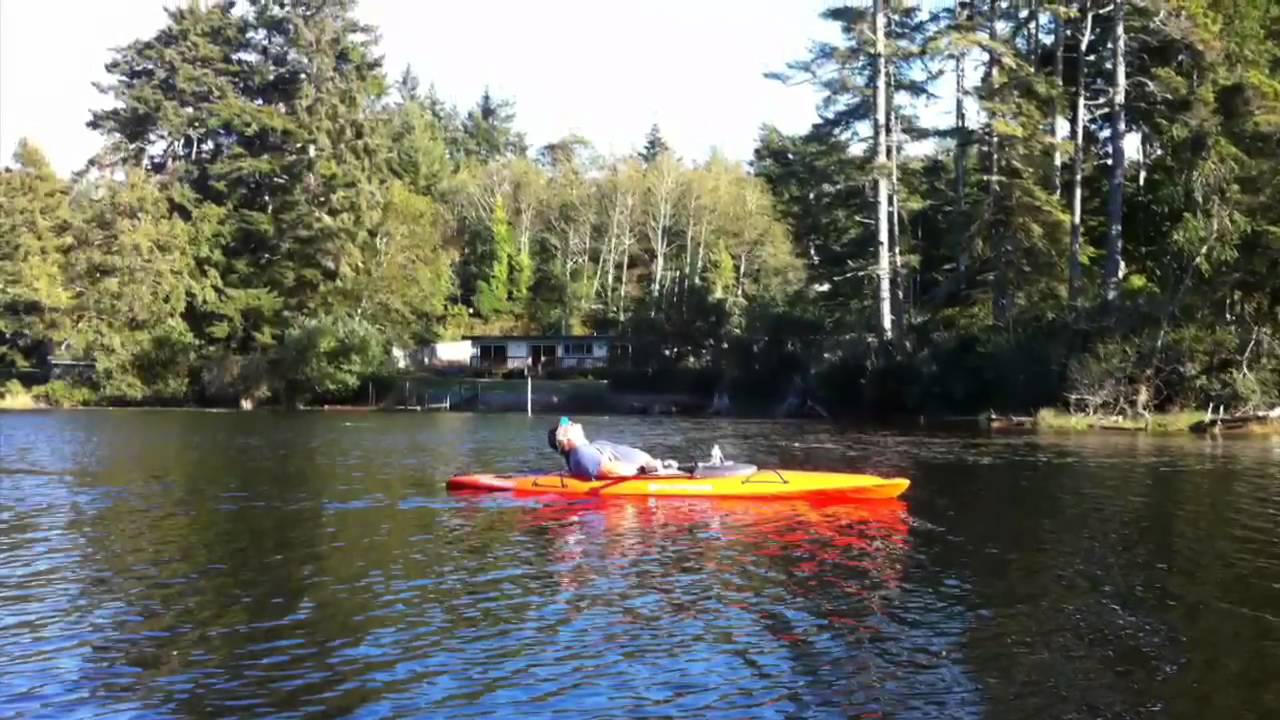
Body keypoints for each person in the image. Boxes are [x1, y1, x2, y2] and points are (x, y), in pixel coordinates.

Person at [547, 417, 675, 479]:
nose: (572, 423)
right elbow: (612, 471)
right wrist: (645, 468)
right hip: (652, 473)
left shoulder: (590, 448)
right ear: (565, 441)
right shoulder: (581, 454)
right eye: (568, 425)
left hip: (658, 469)